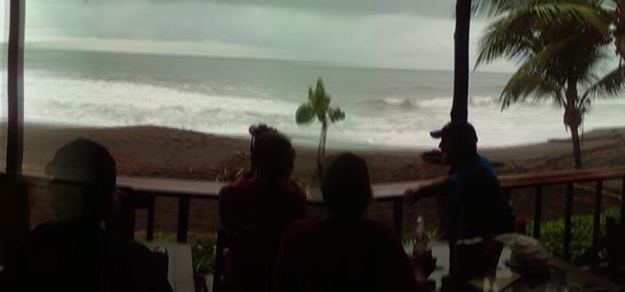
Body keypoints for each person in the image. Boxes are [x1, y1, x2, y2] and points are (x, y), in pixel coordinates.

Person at [0, 138, 172, 292]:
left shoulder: (38, 244)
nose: (52, 187)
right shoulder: (134, 259)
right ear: (107, 195)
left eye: (57, 180)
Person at [272, 152, 427, 292]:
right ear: (365, 195)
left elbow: (280, 285)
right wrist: (420, 271)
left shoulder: (297, 235)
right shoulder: (379, 236)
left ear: (326, 192)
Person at [403, 121, 512, 280]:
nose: (440, 146)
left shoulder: (475, 175)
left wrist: (434, 245)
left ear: (461, 145)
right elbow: (452, 180)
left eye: (445, 141)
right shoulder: (475, 165)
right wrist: (422, 189)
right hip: (473, 252)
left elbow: (463, 228)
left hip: (474, 255)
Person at [216, 126, 306, 292]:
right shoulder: (295, 200)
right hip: (277, 283)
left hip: (238, 281)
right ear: (288, 166)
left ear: (254, 160)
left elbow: (229, 224)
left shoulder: (232, 195)